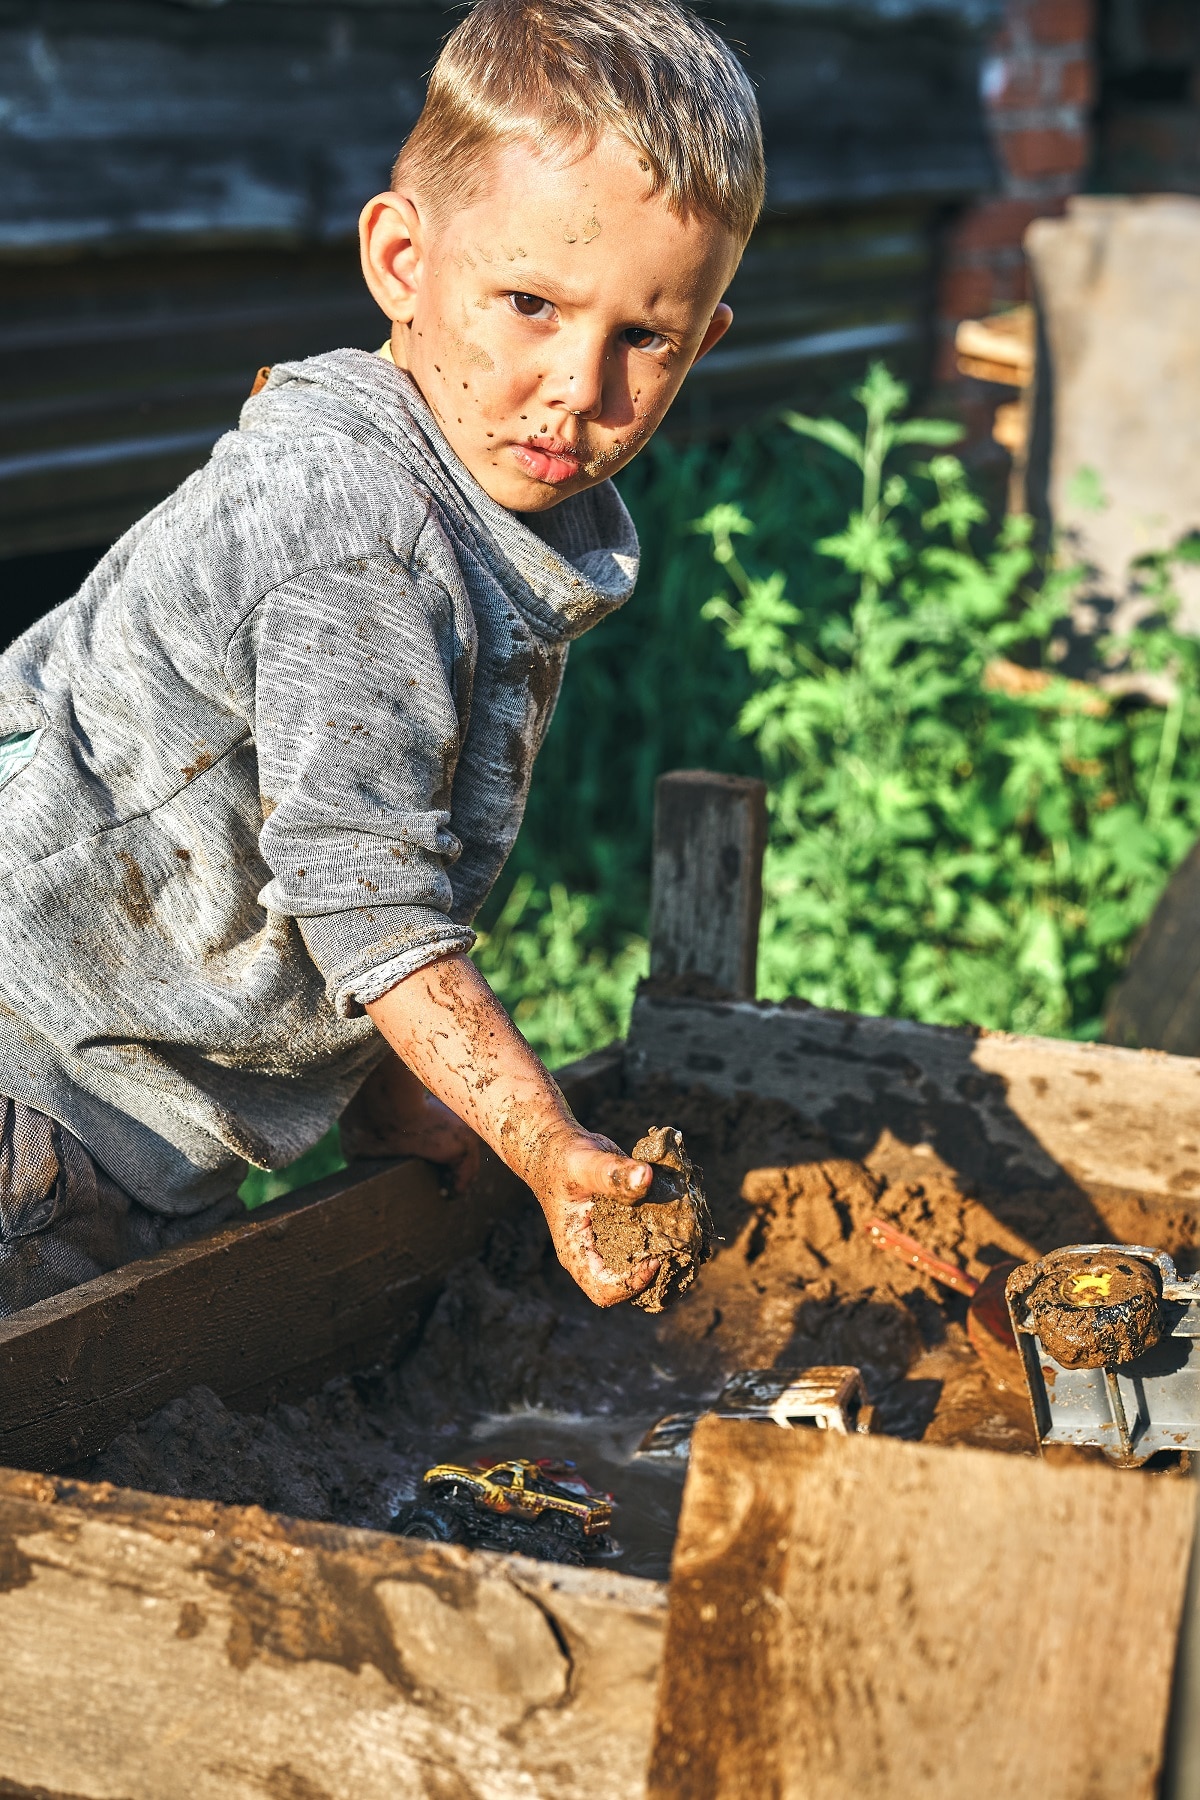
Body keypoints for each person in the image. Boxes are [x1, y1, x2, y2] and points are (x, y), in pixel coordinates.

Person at [0, 0, 764, 1315]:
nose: (578, 384)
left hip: (124, 1082)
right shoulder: (357, 529)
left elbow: (356, 832)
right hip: (43, 1086)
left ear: (704, 342)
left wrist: (405, 1081)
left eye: (644, 339)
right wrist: (539, 1138)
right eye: (531, 303)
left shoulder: (484, 503)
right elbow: (371, 906)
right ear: (403, 260)